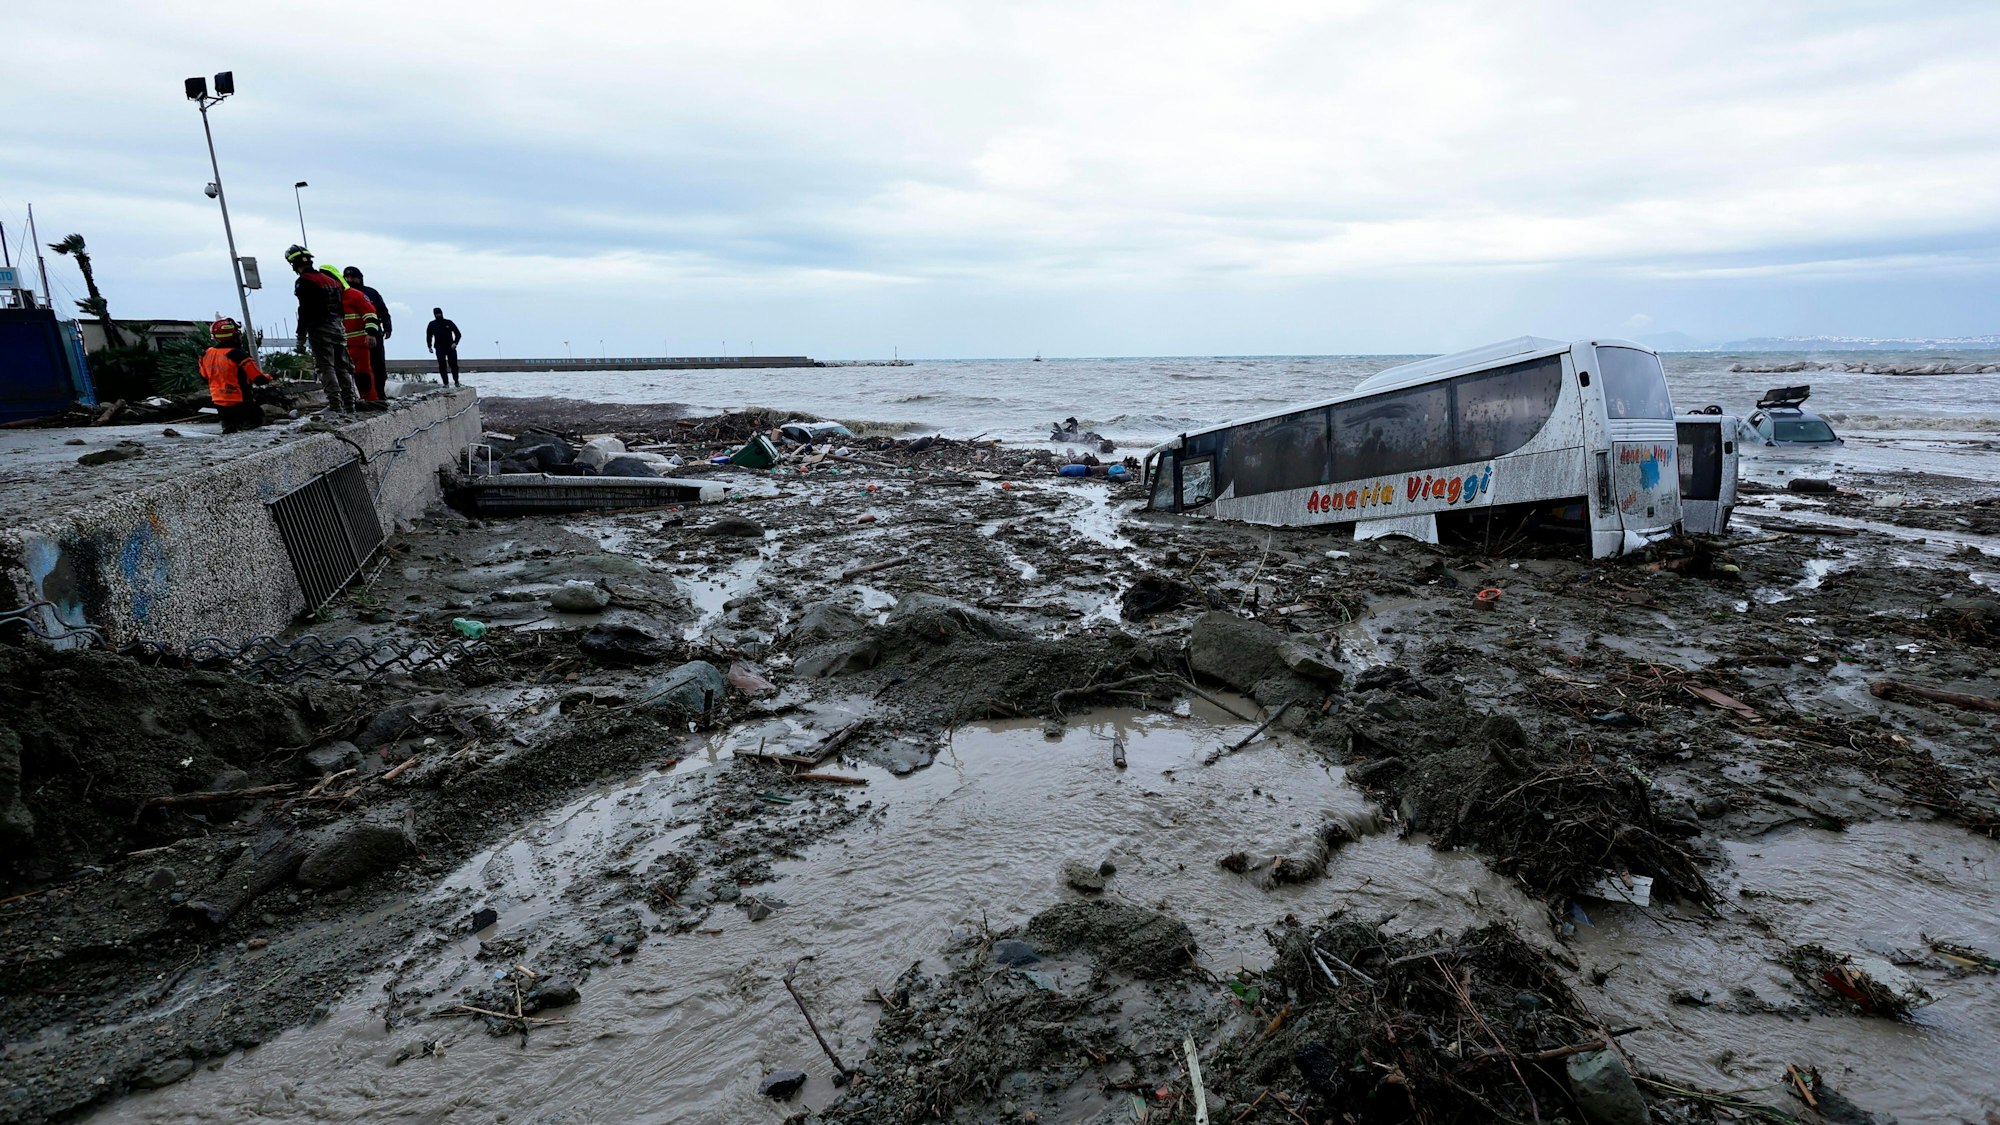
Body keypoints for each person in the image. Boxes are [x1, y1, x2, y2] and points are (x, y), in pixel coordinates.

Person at [285, 245, 358, 412]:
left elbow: (304, 310)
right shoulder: (331, 280)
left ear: (294, 264)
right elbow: (340, 308)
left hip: (319, 328)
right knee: (342, 365)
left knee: (325, 366)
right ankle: (350, 404)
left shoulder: (304, 282)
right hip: (338, 327)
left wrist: (300, 337)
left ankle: (334, 405)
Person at [199, 317, 270, 433]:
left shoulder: (206, 354)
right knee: (254, 426)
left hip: (218, 401)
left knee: (229, 432)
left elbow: (204, 377)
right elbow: (259, 379)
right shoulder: (238, 355)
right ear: (235, 335)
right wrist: (271, 376)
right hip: (240, 400)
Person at [323, 266, 383, 402]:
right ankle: (348, 402)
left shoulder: (355, 295)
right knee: (340, 376)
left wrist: (371, 334)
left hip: (358, 343)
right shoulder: (330, 299)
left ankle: (370, 401)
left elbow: (371, 315)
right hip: (338, 345)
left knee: (363, 375)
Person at [343, 266, 392, 395]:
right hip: (355, 340)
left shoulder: (371, 293)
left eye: (353, 277)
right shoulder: (342, 295)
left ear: (360, 278)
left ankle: (380, 394)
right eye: (347, 277)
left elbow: (384, 313)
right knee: (360, 371)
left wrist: (388, 328)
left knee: (378, 366)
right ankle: (365, 396)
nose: (350, 280)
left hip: (374, 336)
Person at [426, 308, 462, 386]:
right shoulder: (432, 324)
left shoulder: (448, 322)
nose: (438, 315)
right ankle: (446, 383)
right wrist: (429, 346)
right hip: (439, 348)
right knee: (442, 365)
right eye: (436, 314)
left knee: (453, 364)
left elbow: (458, 334)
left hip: (450, 347)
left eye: (439, 313)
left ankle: (456, 381)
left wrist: (455, 343)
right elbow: (429, 336)